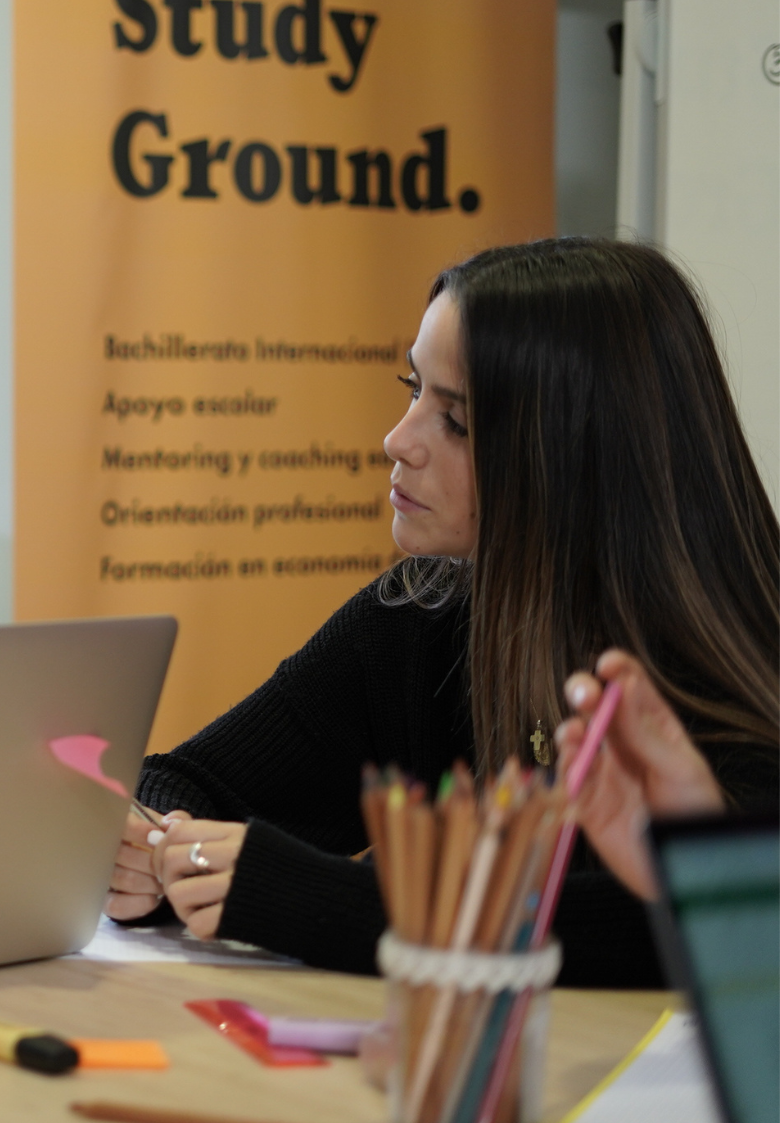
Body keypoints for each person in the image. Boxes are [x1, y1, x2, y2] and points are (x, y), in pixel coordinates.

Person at [105, 238, 778, 986]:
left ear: (572, 456)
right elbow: (180, 781)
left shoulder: (734, 677)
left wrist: (306, 897)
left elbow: (651, 927)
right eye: (412, 388)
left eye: (455, 422)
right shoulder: (422, 611)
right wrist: (150, 855)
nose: (398, 441)